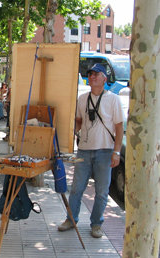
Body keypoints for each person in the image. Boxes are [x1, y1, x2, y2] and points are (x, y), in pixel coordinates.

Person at [58, 63, 124, 238]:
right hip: (84, 150)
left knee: (102, 191)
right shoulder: (82, 98)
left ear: (104, 78)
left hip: (105, 151)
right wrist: (71, 130)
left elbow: (119, 128)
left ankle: (96, 224)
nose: (92, 77)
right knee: (76, 189)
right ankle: (71, 220)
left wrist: (116, 152)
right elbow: (79, 121)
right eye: (90, 74)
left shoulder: (113, 99)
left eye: (96, 74)